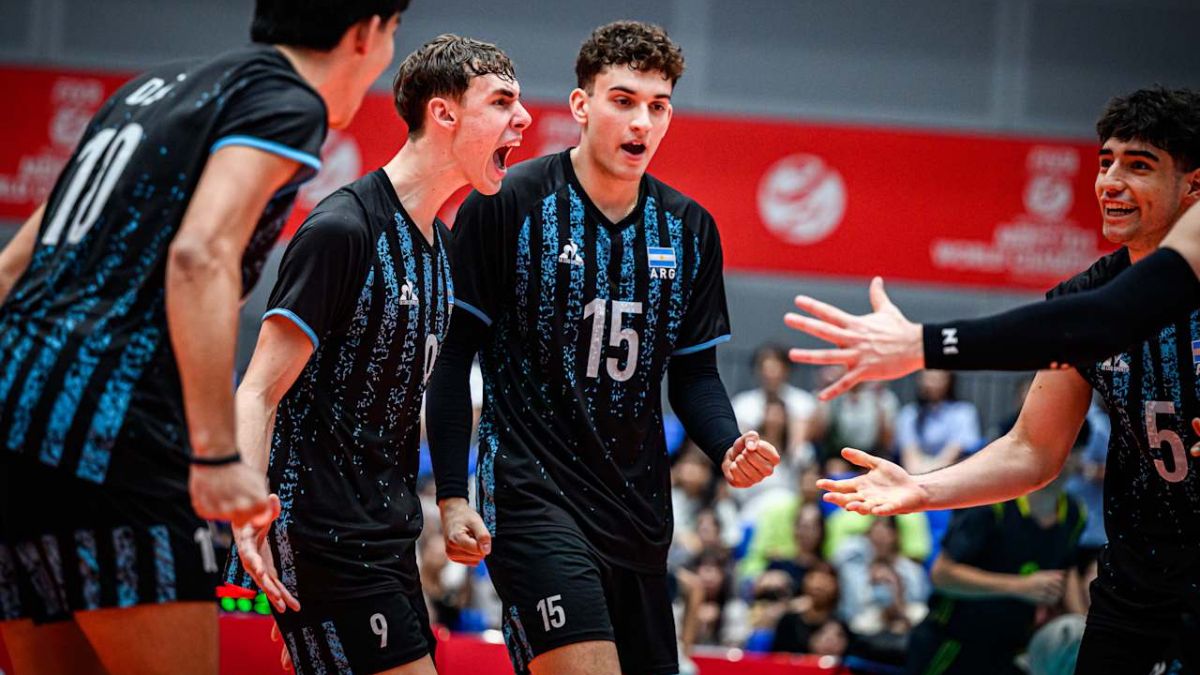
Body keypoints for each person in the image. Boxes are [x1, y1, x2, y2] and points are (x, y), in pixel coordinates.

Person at [0, 2, 406, 673]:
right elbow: (200, 254)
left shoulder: (143, 92)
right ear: (366, 32)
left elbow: (17, 261)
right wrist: (216, 455)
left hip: (16, 421)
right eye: (391, 31)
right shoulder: (282, 100)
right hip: (112, 430)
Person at [789, 86, 1200, 673]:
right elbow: (1033, 449)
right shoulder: (1085, 293)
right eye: (1105, 161)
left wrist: (924, 344)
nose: (1110, 181)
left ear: (1194, 186)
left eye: (1139, 166)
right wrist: (924, 489)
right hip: (1137, 585)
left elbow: (1102, 322)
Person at [425, 20, 780, 675]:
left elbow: (695, 374)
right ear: (582, 105)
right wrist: (452, 495)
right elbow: (452, 359)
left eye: (658, 105)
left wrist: (729, 440)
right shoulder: (508, 205)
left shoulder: (690, 228)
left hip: (638, 513)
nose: (642, 120)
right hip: (533, 496)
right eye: (623, 100)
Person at [223, 35, 531, 675]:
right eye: (502, 102)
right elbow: (257, 391)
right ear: (444, 114)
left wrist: (450, 501)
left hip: (389, 538)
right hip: (320, 532)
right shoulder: (344, 229)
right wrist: (249, 516)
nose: (523, 119)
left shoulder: (442, 250)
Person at [907, 480, 1085, 674]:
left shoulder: (1074, 513)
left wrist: (1085, 626)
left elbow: (1068, 568)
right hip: (953, 643)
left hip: (1010, 648)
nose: (1068, 459)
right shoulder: (993, 505)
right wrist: (1019, 587)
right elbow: (941, 575)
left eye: (1074, 451)